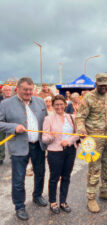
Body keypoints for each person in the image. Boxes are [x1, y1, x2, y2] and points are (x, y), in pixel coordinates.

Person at [0, 77, 48, 221]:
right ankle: (19, 206)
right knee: (18, 179)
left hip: (38, 146)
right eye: (25, 89)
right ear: (18, 89)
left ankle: (37, 196)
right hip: (19, 147)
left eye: (30, 89)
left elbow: (45, 121)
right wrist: (13, 127)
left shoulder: (40, 101)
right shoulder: (5, 104)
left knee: (40, 173)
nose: (28, 92)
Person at [76, 73, 107, 213]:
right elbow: (80, 117)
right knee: (94, 169)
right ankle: (91, 197)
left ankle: (104, 191)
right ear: (96, 84)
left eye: (105, 85)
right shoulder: (88, 98)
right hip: (93, 141)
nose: (103, 88)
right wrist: (81, 129)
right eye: (100, 85)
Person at [42, 95, 79, 214]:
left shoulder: (71, 117)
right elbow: (44, 139)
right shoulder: (48, 119)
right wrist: (51, 137)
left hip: (70, 150)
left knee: (66, 177)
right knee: (54, 178)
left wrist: (68, 141)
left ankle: (63, 201)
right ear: (53, 106)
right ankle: (53, 202)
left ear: (65, 105)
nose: (59, 107)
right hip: (55, 152)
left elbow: (78, 134)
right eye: (56, 104)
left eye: (61, 104)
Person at [0, 85, 12, 165]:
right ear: (2, 91)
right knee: (1, 140)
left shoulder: (14, 100)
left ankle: (13, 157)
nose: (7, 91)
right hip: (1, 122)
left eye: (9, 90)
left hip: (12, 123)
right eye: (6, 90)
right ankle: (1, 157)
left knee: (12, 140)